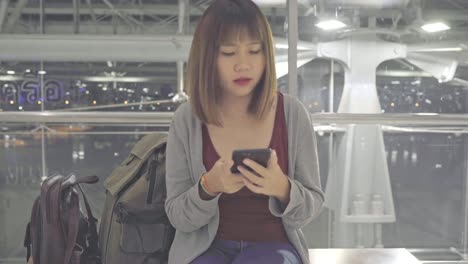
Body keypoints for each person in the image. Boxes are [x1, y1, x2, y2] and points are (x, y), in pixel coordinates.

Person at [164, 0, 324, 263]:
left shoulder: (292, 114)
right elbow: (178, 216)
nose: (243, 65)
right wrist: (209, 187)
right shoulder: (187, 119)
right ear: (208, 58)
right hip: (204, 248)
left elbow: (311, 206)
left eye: (254, 51)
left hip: (274, 246)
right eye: (228, 53)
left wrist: (281, 188)